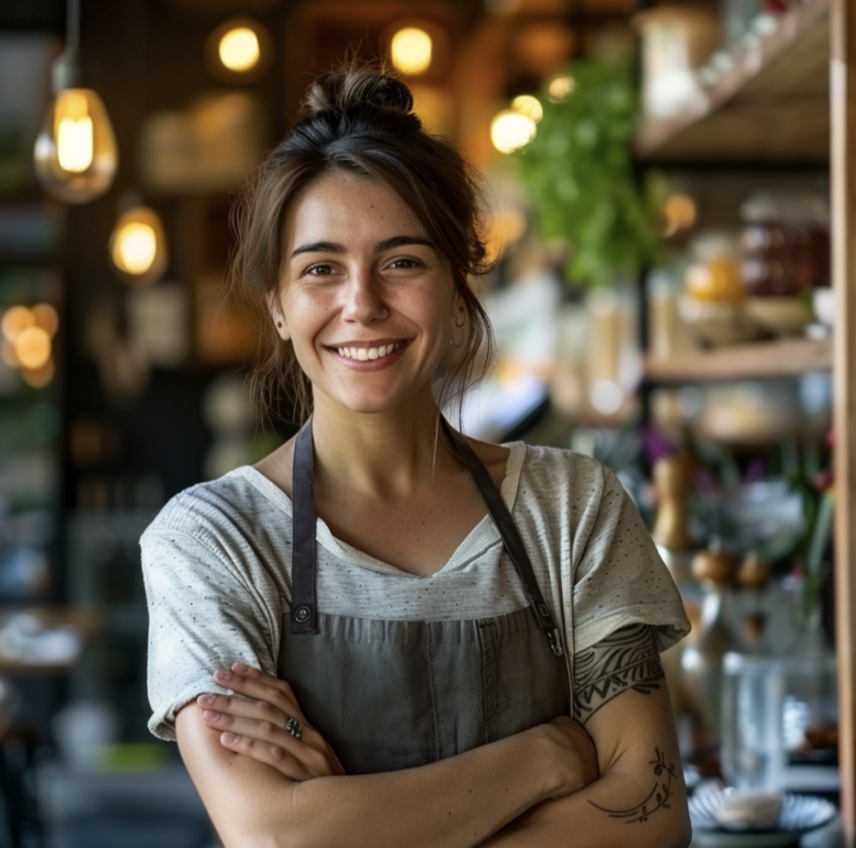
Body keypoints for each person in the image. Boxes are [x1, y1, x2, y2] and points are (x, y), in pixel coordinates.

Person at [141, 64, 692, 848]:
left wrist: (354, 822)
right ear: (277, 302)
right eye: (320, 269)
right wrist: (541, 759)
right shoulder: (212, 541)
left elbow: (651, 816)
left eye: (402, 261)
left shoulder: (573, 508)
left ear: (457, 279)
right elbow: (272, 837)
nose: (361, 303)